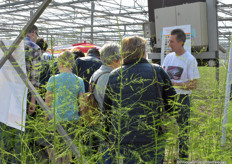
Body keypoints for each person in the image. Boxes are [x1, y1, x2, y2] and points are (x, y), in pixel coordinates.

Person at [103, 36, 176, 163]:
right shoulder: (156, 71)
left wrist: (106, 135)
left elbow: (107, 110)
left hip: (124, 135)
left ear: (124, 53)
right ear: (143, 52)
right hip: (153, 134)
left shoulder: (115, 75)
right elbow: (172, 102)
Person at [162, 29, 200, 160]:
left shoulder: (190, 60)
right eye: (169, 41)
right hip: (167, 98)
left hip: (182, 99)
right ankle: (163, 156)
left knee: (183, 130)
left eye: (172, 41)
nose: (169, 44)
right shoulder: (168, 57)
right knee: (162, 127)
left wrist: (174, 83)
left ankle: (182, 158)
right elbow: (163, 73)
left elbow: (194, 85)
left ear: (181, 42)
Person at [45, 50, 85, 164]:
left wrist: (45, 118)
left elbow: (47, 101)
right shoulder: (79, 80)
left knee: (53, 147)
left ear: (61, 64)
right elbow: (82, 104)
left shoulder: (53, 79)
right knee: (69, 148)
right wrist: (81, 120)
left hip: (56, 118)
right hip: (72, 119)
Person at [88, 42, 121, 162]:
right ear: (115, 59)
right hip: (107, 123)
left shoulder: (97, 73)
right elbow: (111, 104)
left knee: (101, 154)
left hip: (96, 119)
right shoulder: (109, 76)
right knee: (107, 155)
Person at [24, 24, 42, 115]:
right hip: (24, 92)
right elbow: (35, 77)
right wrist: (33, 100)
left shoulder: (10, 45)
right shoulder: (35, 48)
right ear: (33, 33)